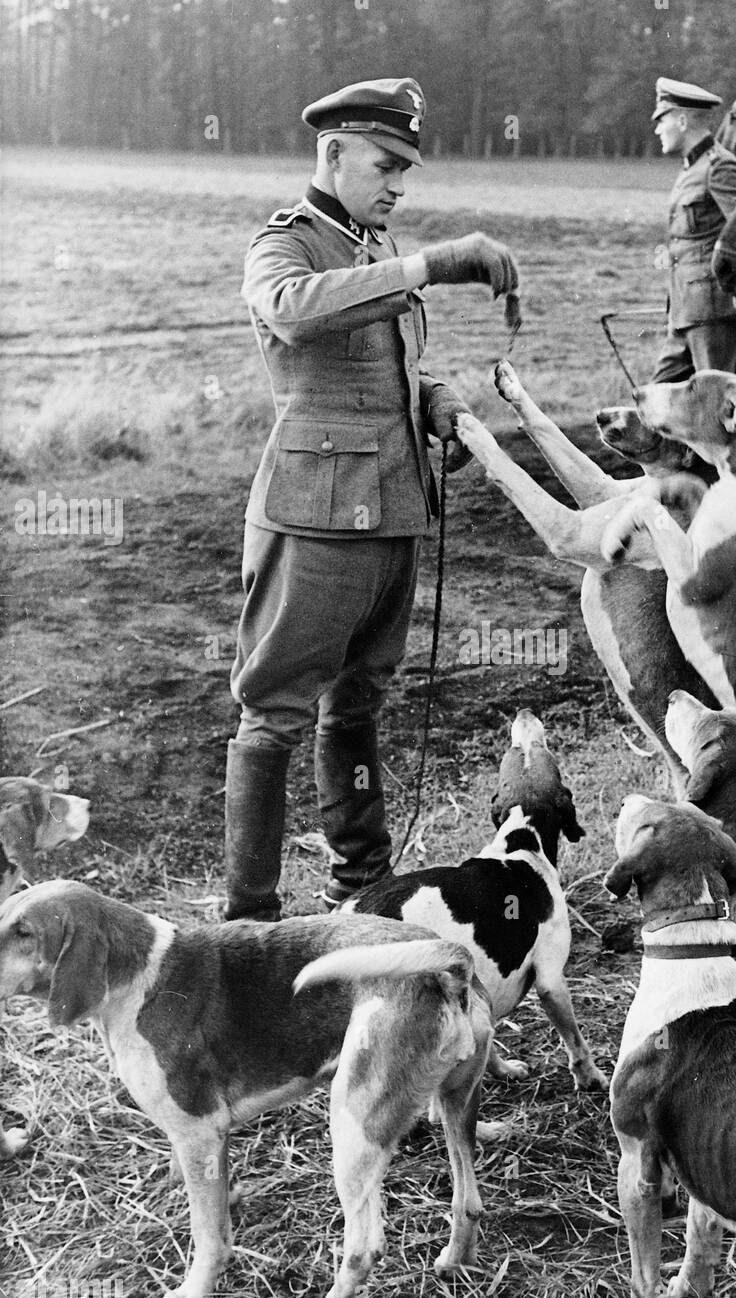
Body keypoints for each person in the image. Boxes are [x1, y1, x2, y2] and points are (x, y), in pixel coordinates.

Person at [226, 77, 519, 920]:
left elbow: (392, 371)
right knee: (275, 714)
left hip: (392, 514)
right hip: (314, 521)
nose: (398, 183)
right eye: (386, 164)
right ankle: (248, 925)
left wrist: (442, 407)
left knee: (356, 705)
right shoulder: (287, 246)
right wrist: (433, 263)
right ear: (333, 154)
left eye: (407, 170)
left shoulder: (367, 251)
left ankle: (359, 892)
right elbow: (290, 314)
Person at [651, 77, 736, 384]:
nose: (656, 130)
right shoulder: (690, 170)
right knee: (658, 404)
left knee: (715, 403)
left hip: (713, 312)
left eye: (661, 120)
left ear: (682, 121)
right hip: (684, 310)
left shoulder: (720, 167)